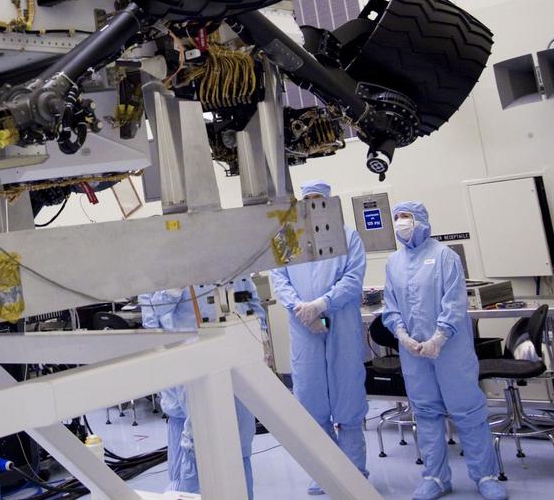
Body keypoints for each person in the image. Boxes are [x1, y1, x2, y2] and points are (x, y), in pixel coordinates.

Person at [383, 201, 506, 500]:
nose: (401, 222)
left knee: (467, 410)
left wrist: (438, 339)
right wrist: (402, 335)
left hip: (450, 350)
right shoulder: (393, 263)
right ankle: (436, 477)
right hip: (413, 352)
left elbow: (454, 305)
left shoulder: (444, 257)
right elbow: (391, 306)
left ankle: (486, 476)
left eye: (406, 217)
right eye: (397, 217)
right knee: (425, 412)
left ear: (421, 221)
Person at [269, 180, 369, 495]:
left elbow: (353, 279)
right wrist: (302, 310)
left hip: (340, 323)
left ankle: (354, 472)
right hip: (303, 327)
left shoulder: (347, 235)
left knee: (347, 393)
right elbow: (278, 278)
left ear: (329, 202)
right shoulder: (286, 235)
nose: (313, 204)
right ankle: (323, 472)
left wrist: (322, 305)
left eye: (318, 199)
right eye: (308, 198)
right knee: (311, 398)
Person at [139, 287, 255, 498]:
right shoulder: (154, 276)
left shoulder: (221, 264)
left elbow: (248, 294)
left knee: (239, 439)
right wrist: (171, 293)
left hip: (230, 357)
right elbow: (151, 323)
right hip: (185, 366)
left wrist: (260, 334)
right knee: (193, 442)